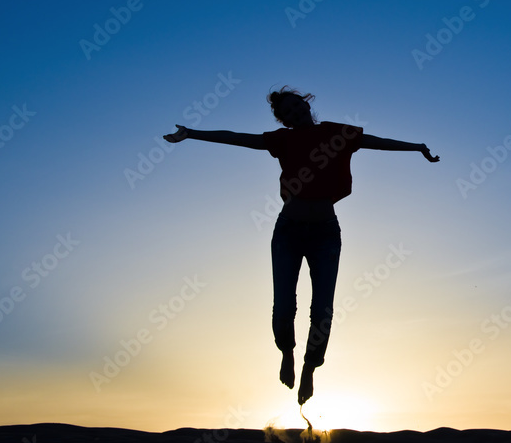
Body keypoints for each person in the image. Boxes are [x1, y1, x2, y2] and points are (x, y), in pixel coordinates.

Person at [163, 86, 439, 404]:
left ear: (307, 105)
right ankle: (287, 352)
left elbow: (376, 142)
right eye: (288, 113)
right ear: (284, 121)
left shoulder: (337, 134)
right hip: (288, 232)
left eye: (298, 106)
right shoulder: (283, 140)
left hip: (325, 233)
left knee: (322, 310)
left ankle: (310, 367)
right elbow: (239, 138)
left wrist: (417, 147)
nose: (295, 113)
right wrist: (192, 133)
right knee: (283, 306)